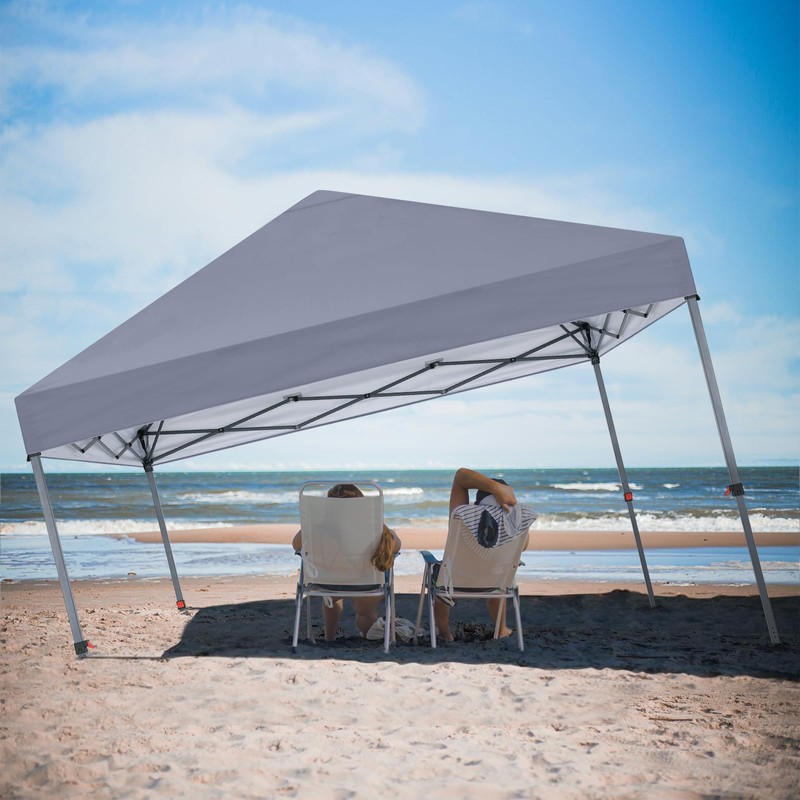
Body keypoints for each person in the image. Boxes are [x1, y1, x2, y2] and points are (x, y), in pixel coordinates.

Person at [434, 467, 534, 642]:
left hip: (454, 584)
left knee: (439, 575)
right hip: (494, 583)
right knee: (502, 571)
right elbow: (523, 547)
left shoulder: (462, 516)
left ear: (478, 504)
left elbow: (461, 476)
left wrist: (495, 489)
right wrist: (512, 510)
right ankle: (501, 629)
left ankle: (445, 632)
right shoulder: (516, 526)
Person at [292, 483, 401, 641]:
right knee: (365, 614)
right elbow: (397, 546)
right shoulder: (373, 527)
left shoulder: (319, 528)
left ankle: (330, 636)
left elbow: (296, 545)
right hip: (367, 584)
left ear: (329, 506)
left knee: (331, 599)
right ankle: (366, 633)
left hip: (328, 583)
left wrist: (311, 526)